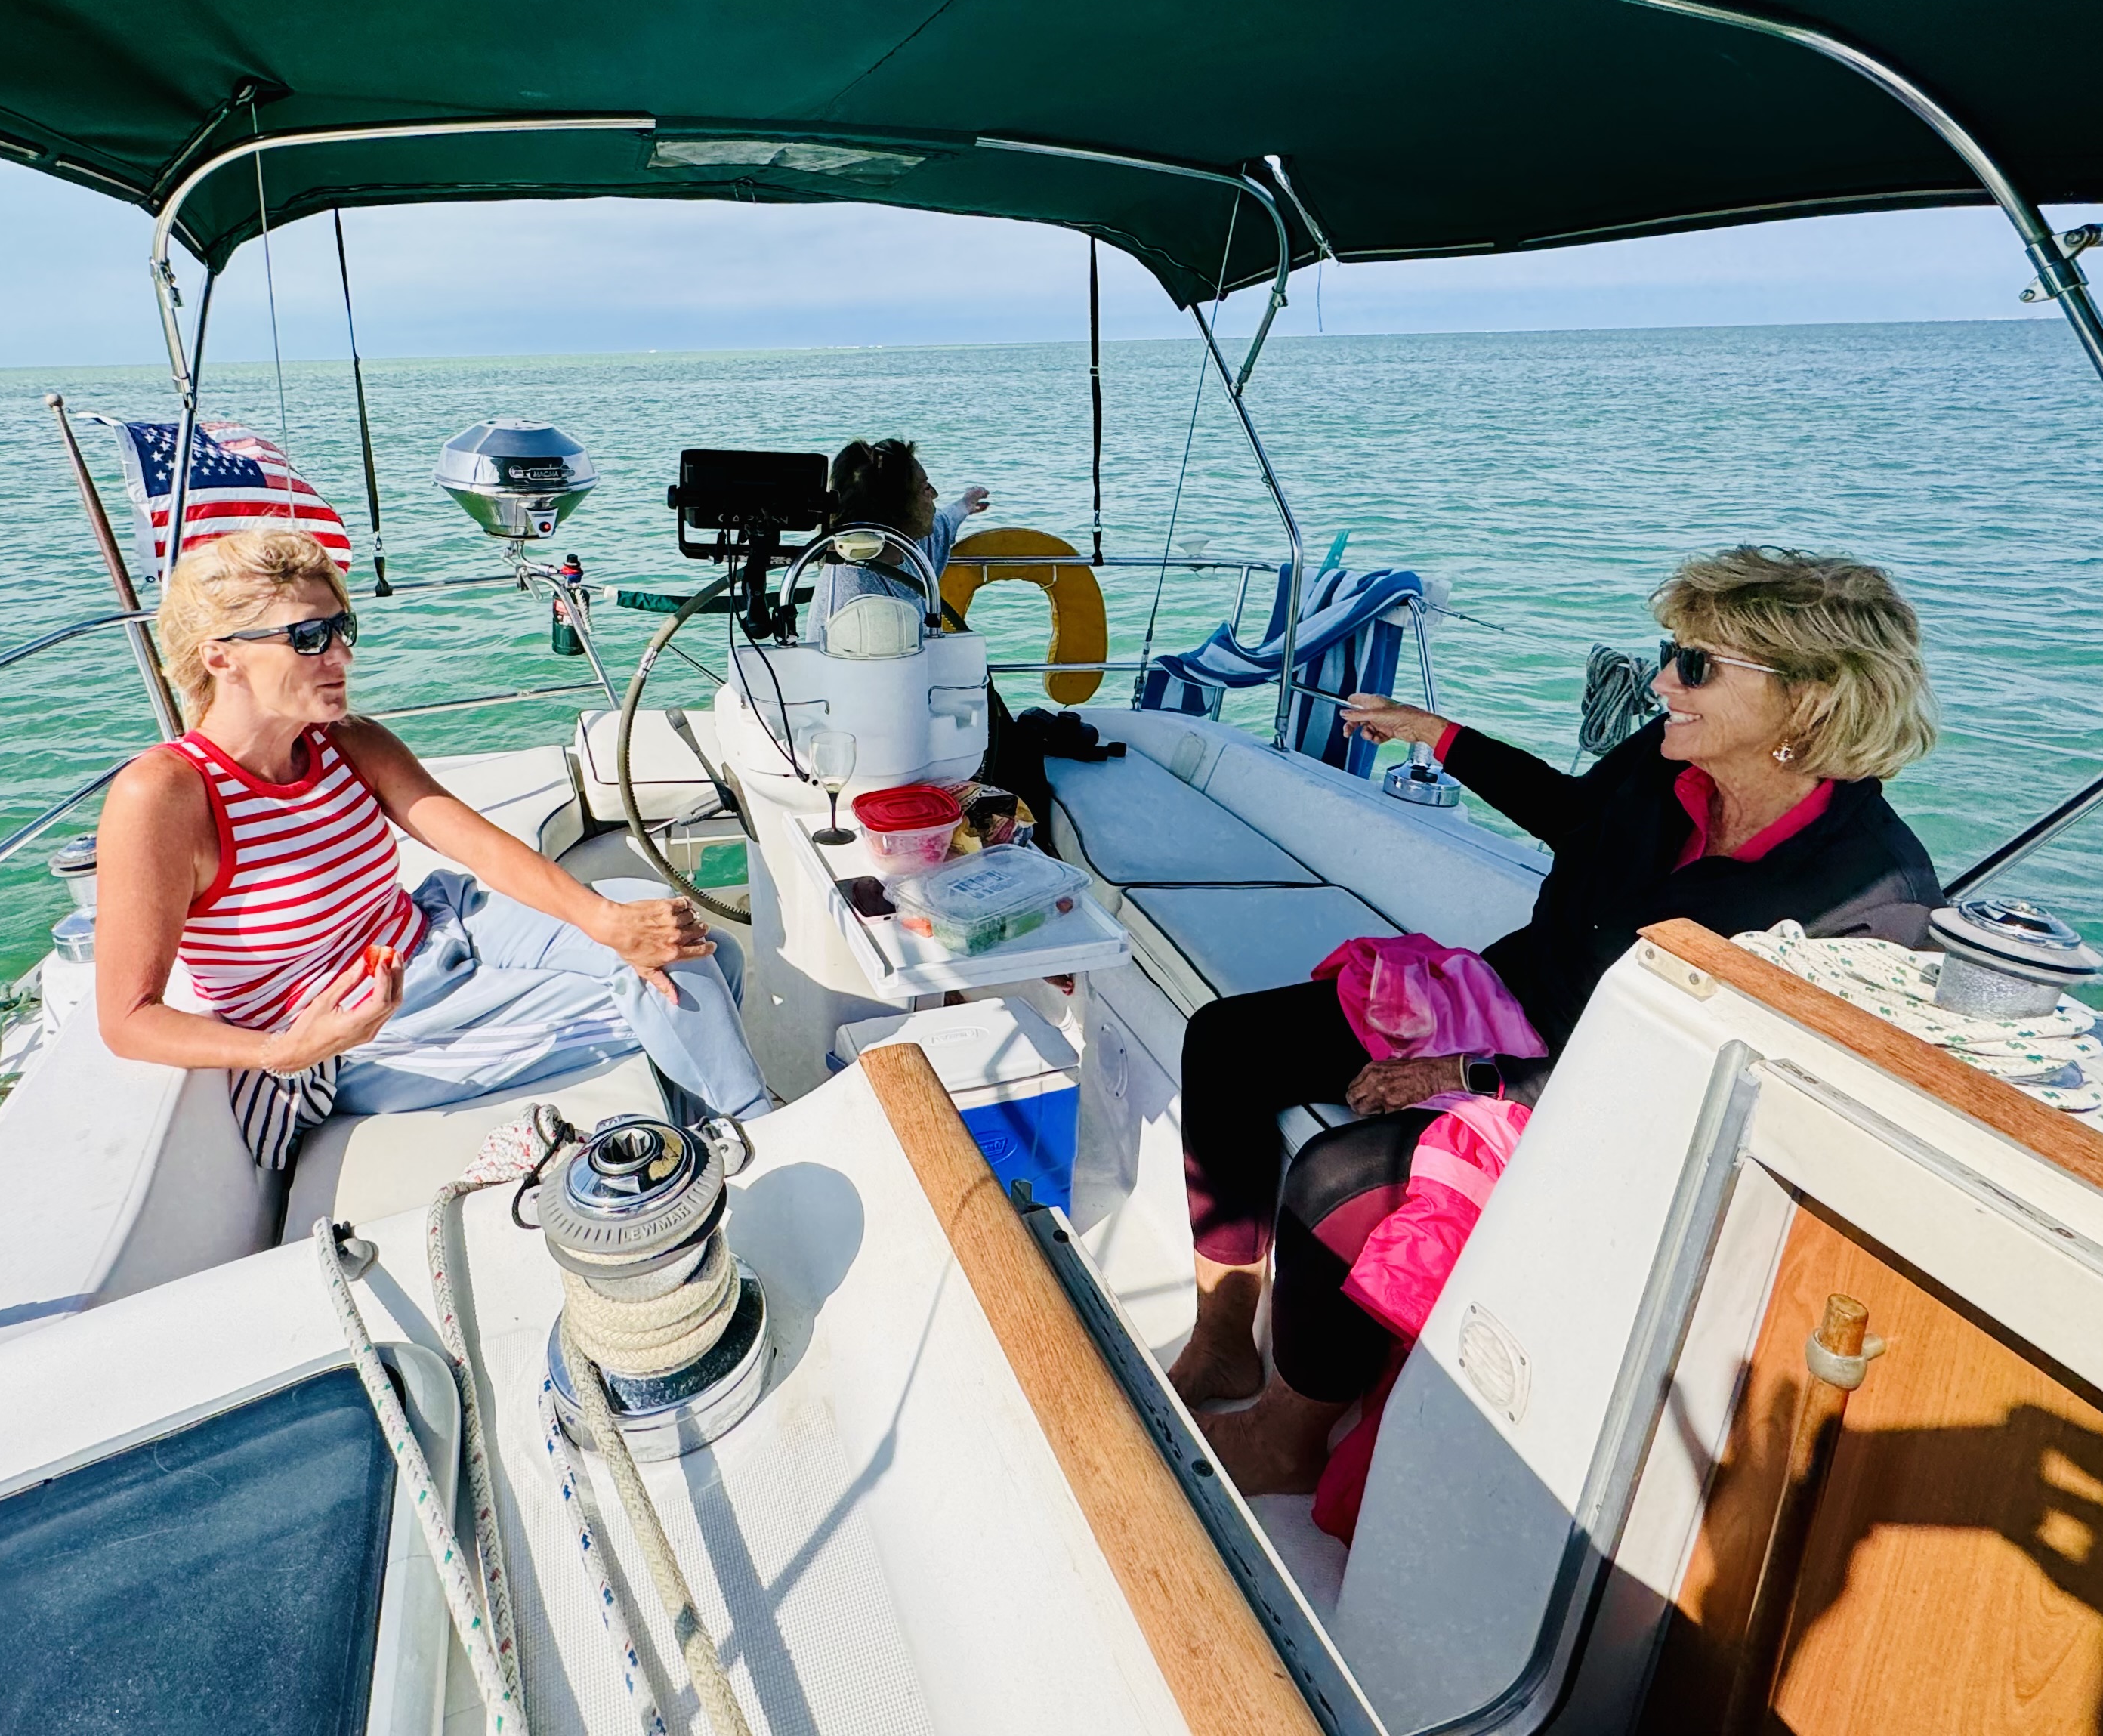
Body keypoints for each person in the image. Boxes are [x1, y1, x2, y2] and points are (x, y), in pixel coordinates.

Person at [1172, 545, 1942, 1491]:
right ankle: (1221, 1336)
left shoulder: (1864, 896)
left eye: (1696, 664)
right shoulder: (1670, 757)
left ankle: (1287, 1433)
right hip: (1510, 1002)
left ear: (1811, 698)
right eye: (1672, 650)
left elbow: (1703, 1082)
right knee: (1229, 1041)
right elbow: (1575, 815)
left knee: (1338, 1178)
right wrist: (1438, 734)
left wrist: (1469, 1080)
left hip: (1611, 1100)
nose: (1663, 679)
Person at [96, 528, 769, 1172]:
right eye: (308, 637)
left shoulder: (345, 739)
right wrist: (287, 1049)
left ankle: (712, 1144)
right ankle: (757, 1138)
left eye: (341, 629)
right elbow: (129, 1021)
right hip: (367, 1032)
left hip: (440, 926)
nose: (340, 656)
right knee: (668, 990)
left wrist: (606, 922)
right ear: (222, 654)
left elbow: (476, 844)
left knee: (688, 943)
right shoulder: (163, 795)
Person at [809, 437, 990, 632]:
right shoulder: (858, 598)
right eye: (925, 488)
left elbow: (943, 523)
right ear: (895, 508)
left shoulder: (908, 546)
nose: (934, 495)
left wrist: (965, 505)